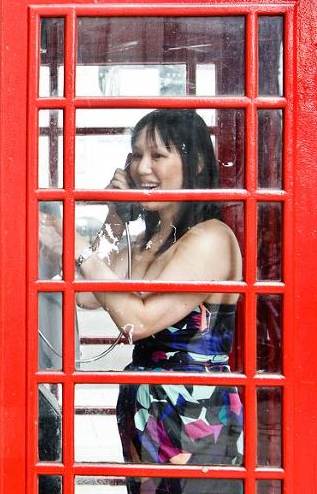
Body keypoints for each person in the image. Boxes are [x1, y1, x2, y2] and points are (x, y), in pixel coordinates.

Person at [73, 110, 243, 494]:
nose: (141, 167)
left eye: (158, 155)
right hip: (145, 411)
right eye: (135, 155)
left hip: (195, 417)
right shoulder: (147, 243)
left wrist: (79, 249)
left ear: (196, 162)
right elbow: (83, 293)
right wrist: (114, 219)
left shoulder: (211, 238)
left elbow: (139, 321)